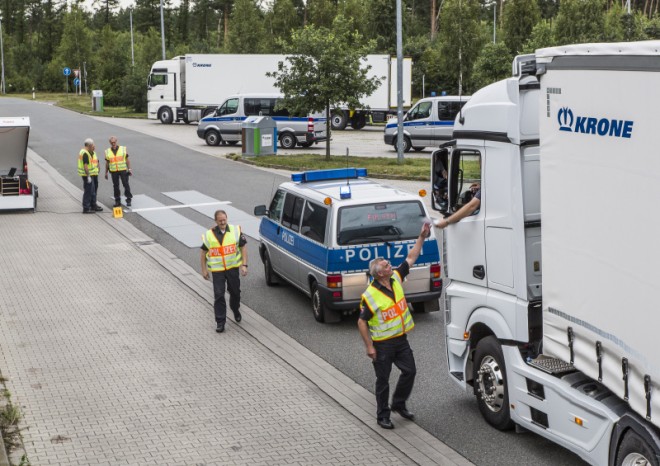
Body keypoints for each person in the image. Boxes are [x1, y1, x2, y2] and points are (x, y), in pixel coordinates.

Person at [357, 222, 432, 429]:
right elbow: (361, 322)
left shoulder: (396, 279)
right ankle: (383, 415)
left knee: (410, 371)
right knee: (383, 380)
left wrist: (422, 236)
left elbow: (411, 257)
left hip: (400, 340)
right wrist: (369, 347)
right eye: (386, 266)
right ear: (379, 274)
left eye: (389, 264)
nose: (391, 266)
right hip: (382, 345)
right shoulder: (371, 296)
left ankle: (398, 403)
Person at [200, 210, 248, 333]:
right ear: (216, 221)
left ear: (227, 218)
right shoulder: (209, 235)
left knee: (235, 293)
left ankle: (235, 309)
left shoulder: (235, 230)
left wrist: (244, 265)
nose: (223, 222)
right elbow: (203, 252)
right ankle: (220, 322)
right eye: (220, 220)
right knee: (219, 295)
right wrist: (204, 269)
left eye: (224, 219)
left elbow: (243, 248)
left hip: (232, 269)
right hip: (217, 271)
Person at [104, 136, 133, 207]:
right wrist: (106, 172)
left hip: (123, 170)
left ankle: (128, 199)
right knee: (116, 186)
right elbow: (107, 163)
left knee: (125, 184)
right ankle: (117, 201)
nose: (113, 143)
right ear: (110, 143)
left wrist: (129, 169)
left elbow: (127, 160)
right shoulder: (107, 151)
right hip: (114, 171)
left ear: (116, 141)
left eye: (114, 142)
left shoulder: (122, 149)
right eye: (112, 142)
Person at [78, 138, 103, 213]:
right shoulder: (85, 153)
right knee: (88, 191)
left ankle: (93, 205)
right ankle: (86, 208)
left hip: (94, 174)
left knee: (93, 190)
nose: (94, 146)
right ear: (89, 145)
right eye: (92, 145)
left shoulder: (92, 152)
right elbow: (85, 166)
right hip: (88, 175)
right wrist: (88, 176)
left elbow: (96, 161)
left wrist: (98, 167)